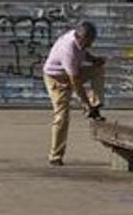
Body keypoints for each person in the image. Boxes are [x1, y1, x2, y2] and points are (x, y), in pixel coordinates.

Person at [42, 21, 106, 166]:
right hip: (56, 80)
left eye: (91, 42)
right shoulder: (68, 49)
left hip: (71, 74)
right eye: (87, 42)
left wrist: (94, 60)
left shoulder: (79, 39)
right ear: (80, 38)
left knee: (98, 69)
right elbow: (75, 83)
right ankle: (55, 156)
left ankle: (95, 107)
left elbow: (83, 53)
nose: (89, 45)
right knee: (62, 117)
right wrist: (85, 104)